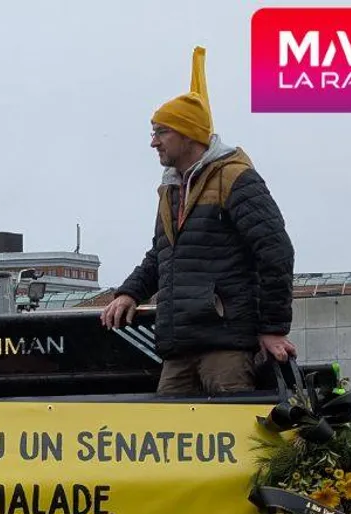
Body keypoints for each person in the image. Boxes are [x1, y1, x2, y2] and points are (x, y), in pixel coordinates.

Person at [101, 46, 296, 397]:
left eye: (161, 132)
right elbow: (162, 255)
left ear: (188, 134)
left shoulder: (236, 179)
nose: (153, 142)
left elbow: (275, 251)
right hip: (180, 347)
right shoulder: (172, 189)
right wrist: (130, 291)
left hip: (225, 348)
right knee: (164, 442)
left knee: (236, 443)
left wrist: (273, 328)